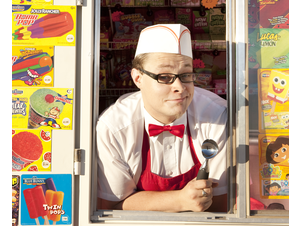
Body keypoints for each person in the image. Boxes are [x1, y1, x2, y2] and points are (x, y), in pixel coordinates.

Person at [96, 24, 228, 212]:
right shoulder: (114, 126)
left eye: (186, 75)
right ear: (138, 78)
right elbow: (110, 207)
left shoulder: (217, 116)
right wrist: (179, 200)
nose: (180, 87)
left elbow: (222, 205)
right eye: (164, 77)